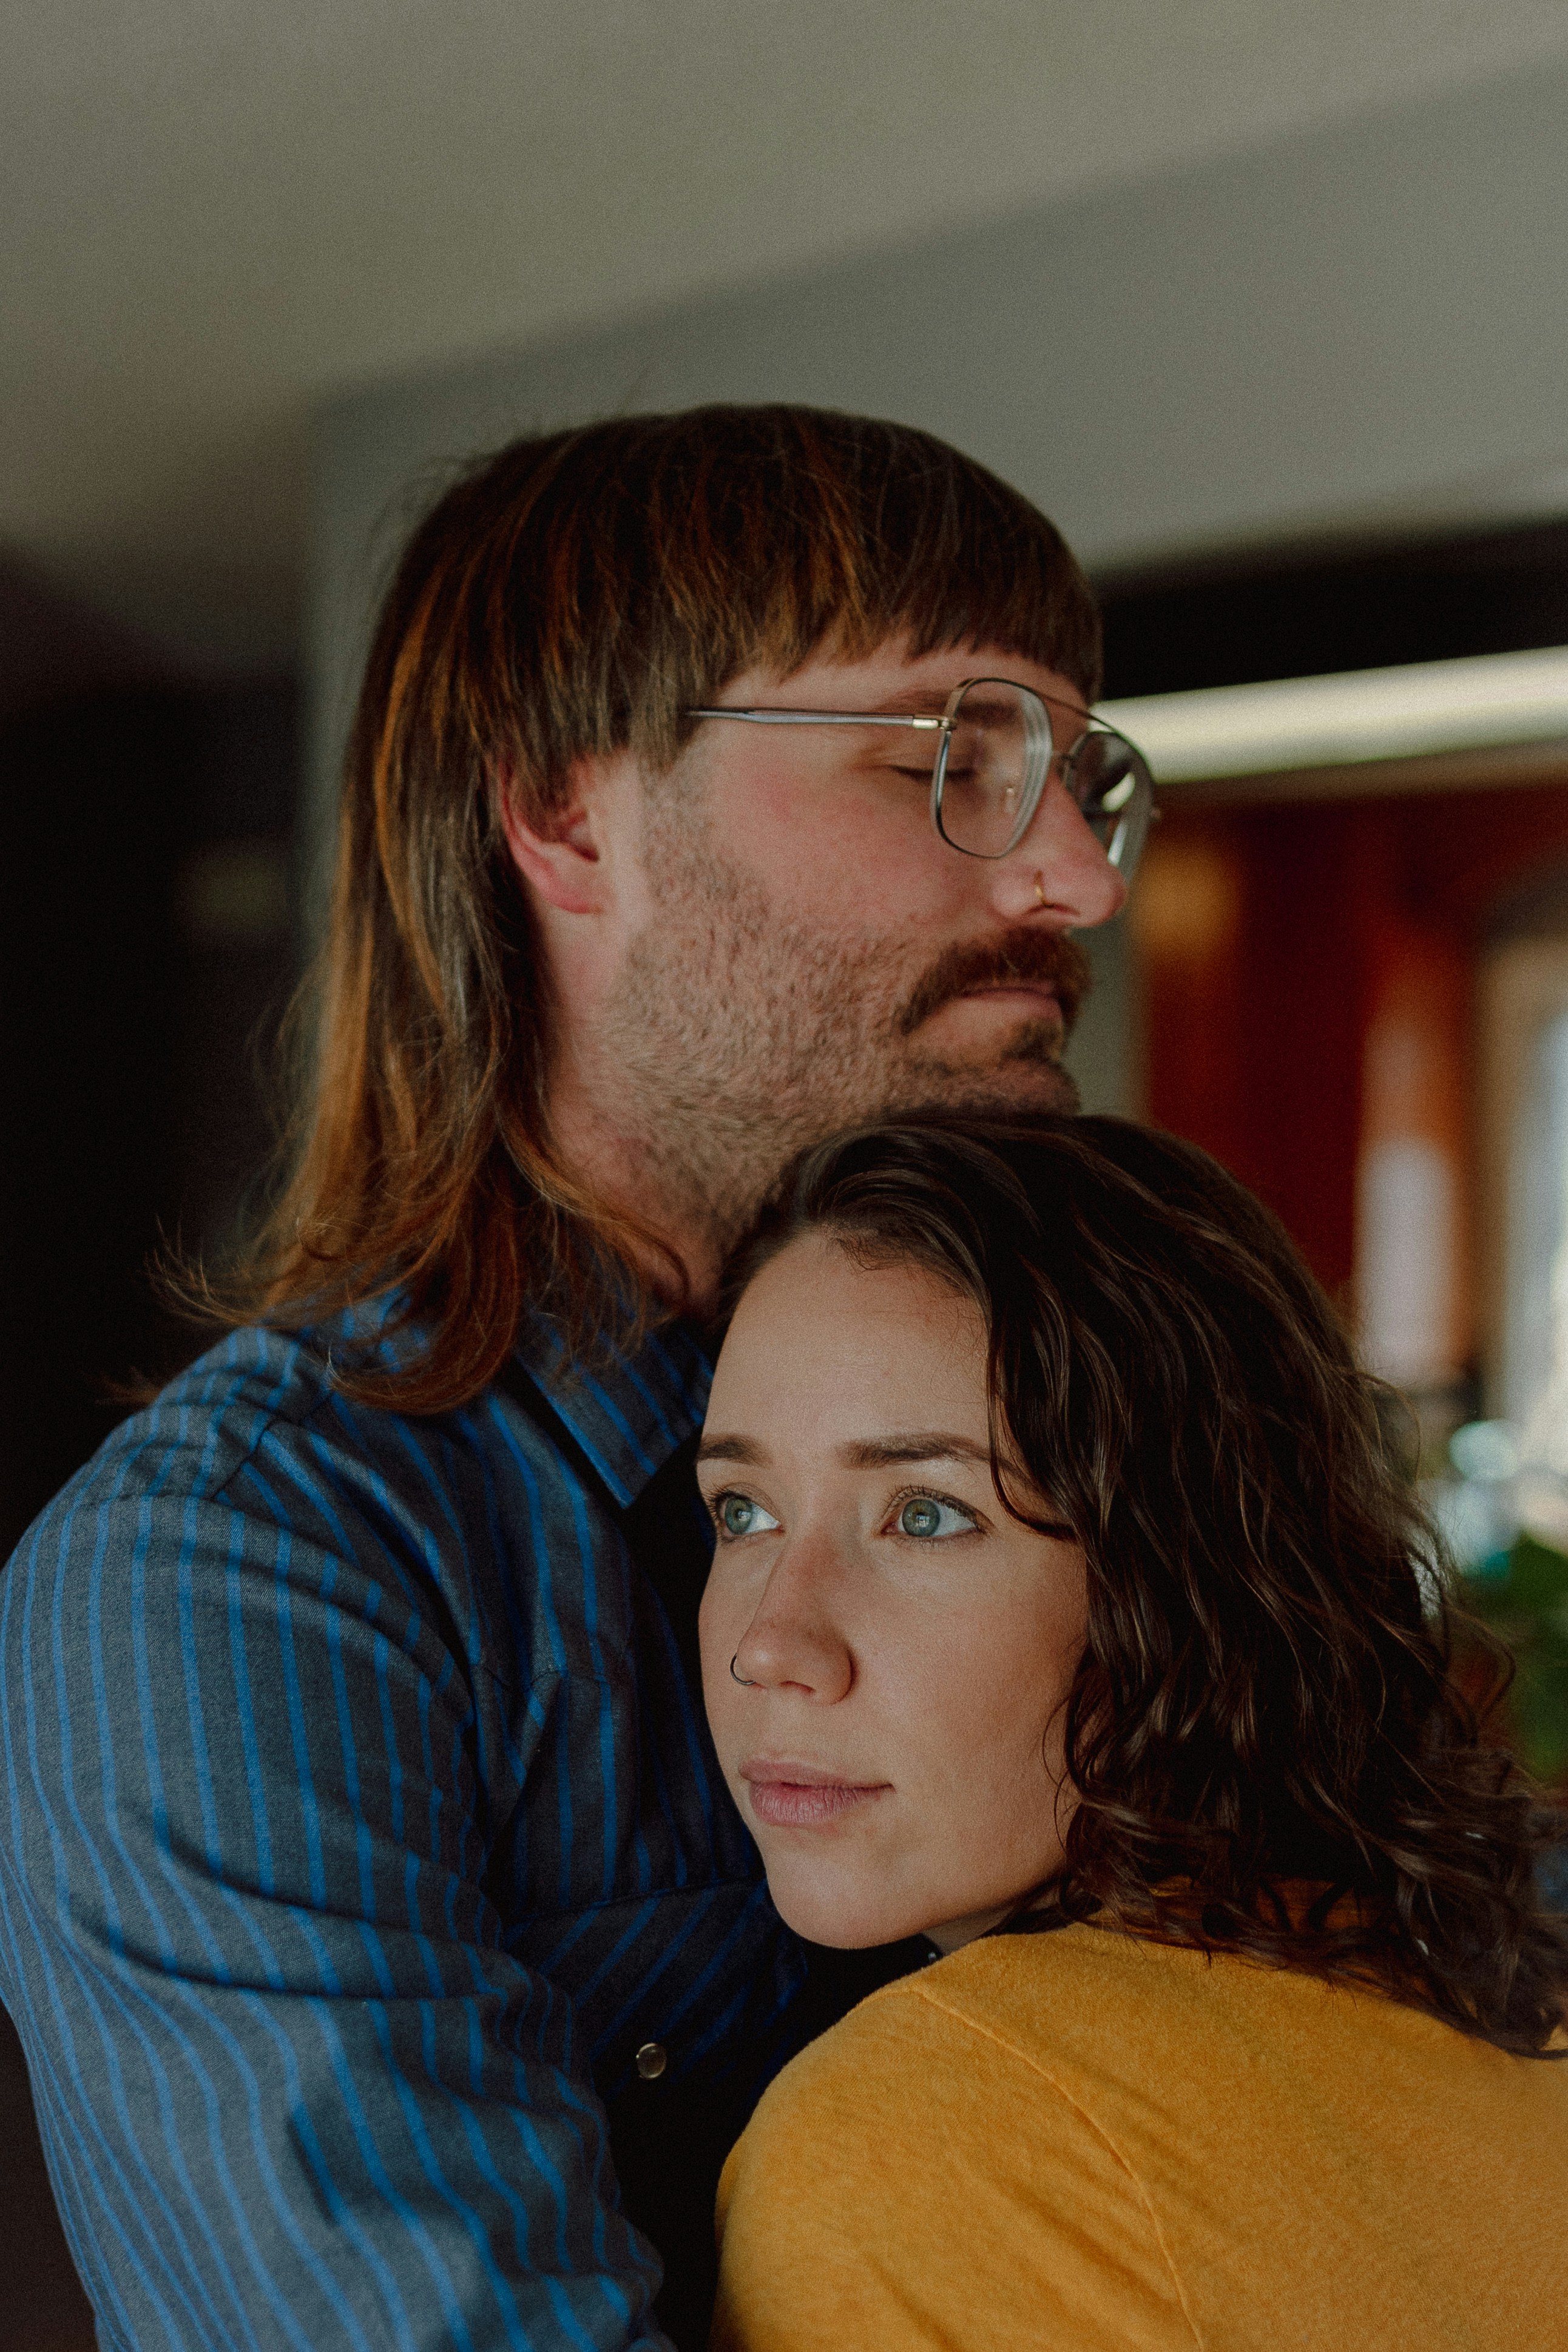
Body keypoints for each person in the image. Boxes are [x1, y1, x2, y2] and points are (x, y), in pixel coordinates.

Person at [0, 406, 1151, 2351]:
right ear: (567, 815)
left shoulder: (1096, 1424)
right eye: (949, 758)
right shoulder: (231, 1580)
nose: (1076, 879)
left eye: (1079, 779)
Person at [698, 1113, 1568, 2352]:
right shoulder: (1506, 2013)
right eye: (739, 1509)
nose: (769, 1644)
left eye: (927, 1517)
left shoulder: (924, 2137)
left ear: (1184, 1577)